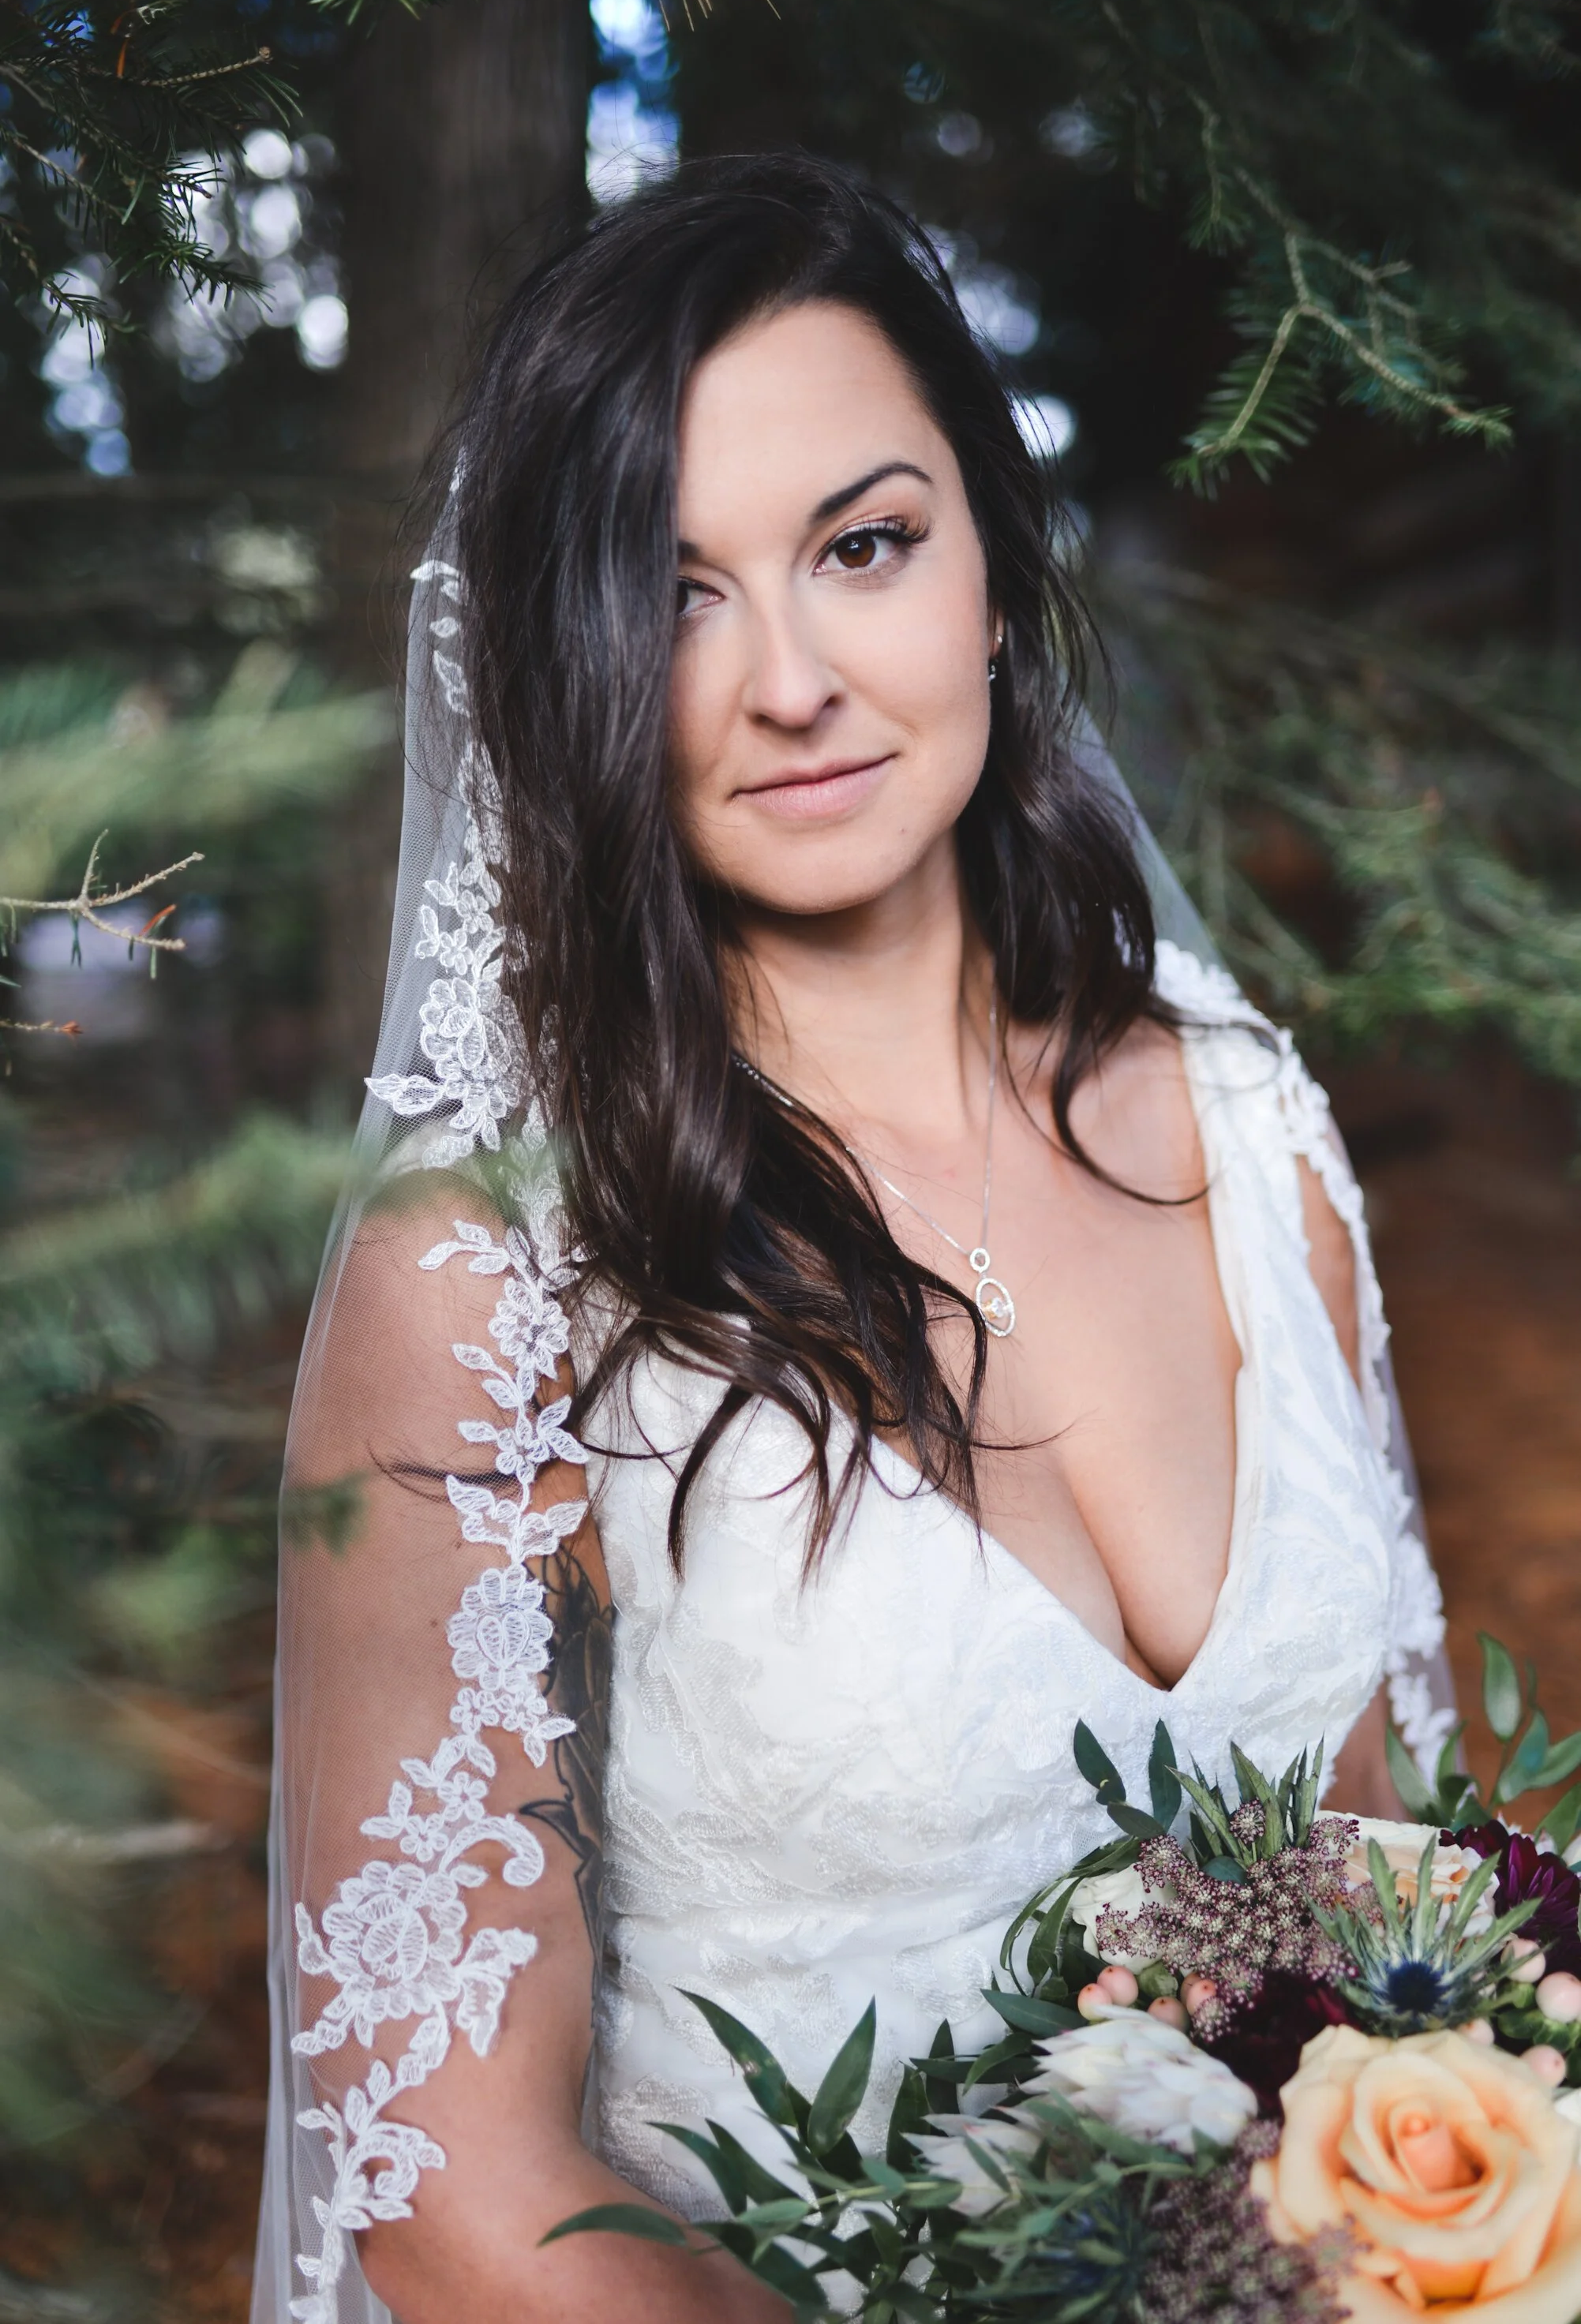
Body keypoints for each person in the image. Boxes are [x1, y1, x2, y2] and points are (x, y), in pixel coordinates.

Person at [252, 155, 1452, 2324]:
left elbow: (1379, 1892)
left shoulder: (1252, 1124)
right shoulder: (493, 1275)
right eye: (676, 590)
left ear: (988, 571)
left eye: (864, 546)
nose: (792, 676)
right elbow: (444, 2172)